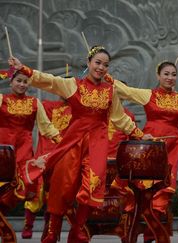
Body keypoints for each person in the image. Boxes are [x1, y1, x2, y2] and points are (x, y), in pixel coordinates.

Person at [8, 45, 145, 243]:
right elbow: (50, 81)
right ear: (88, 63)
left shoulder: (110, 90)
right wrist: (25, 69)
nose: (101, 67)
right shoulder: (73, 85)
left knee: (94, 184)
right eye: (97, 63)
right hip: (74, 141)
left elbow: (120, 118)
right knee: (62, 185)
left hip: (97, 144)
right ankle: (53, 230)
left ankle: (78, 228)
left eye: (105, 65)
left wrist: (140, 135)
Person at [113, 61, 178, 241]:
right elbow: (124, 90)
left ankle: (151, 235)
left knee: (164, 189)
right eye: (166, 74)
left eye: (173, 74)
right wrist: (104, 77)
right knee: (143, 189)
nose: (170, 78)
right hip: (150, 147)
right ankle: (135, 231)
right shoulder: (147, 95)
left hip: (171, 147)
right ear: (158, 75)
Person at [0, 71, 61, 238]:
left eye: (25, 81)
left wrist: (60, 140)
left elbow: (46, 126)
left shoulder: (35, 103)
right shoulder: (2, 99)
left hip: (24, 151)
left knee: (25, 184)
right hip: (4, 149)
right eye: (18, 81)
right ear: (11, 82)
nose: (22, 84)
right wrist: (4, 74)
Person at [22, 97, 72, 239]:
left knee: (55, 193)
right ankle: (28, 225)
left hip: (63, 155)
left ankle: (49, 227)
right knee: (37, 190)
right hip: (43, 154)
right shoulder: (46, 105)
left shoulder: (77, 109)